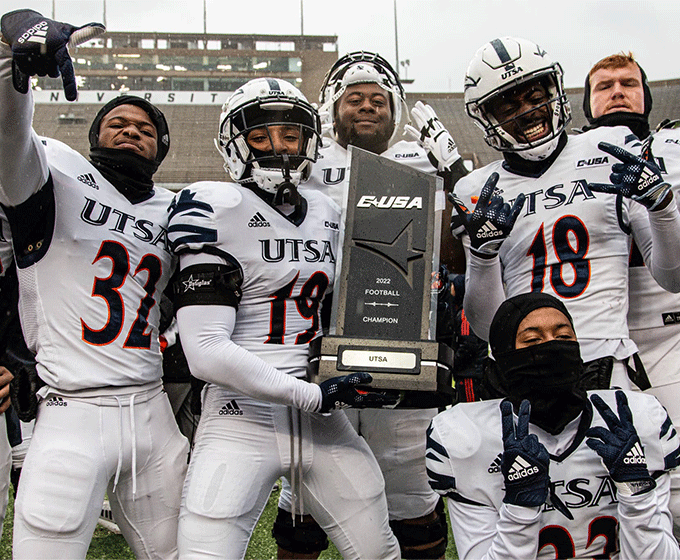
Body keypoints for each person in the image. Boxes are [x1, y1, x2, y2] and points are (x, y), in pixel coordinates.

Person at [168, 76, 400, 559]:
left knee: (379, 550)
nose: (278, 146)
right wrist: (311, 395)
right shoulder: (215, 205)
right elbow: (206, 352)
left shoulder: (327, 212)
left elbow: (353, 308)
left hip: (323, 414)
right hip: (241, 416)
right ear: (234, 144)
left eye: (291, 135)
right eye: (260, 136)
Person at [0, 9, 190, 558]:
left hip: (154, 410)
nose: (132, 129)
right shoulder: (55, 171)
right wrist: (17, 55)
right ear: (94, 135)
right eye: (118, 123)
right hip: (72, 408)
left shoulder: (180, 208)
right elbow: (9, 132)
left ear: (161, 147)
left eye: (146, 128)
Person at [273, 51, 464, 559]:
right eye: (353, 98)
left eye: (378, 99)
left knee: (409, 484)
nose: (366, 106)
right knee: (305, 492)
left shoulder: (421, 161)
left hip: (402, 339)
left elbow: (451, 253)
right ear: (331, 109)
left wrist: (457, 177)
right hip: (318, 340)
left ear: (394, 110)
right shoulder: (304, 164)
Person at [452, 36, 680, 392]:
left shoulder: (610, 146)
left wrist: (662, 207)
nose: (528, 111)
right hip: (522, 371)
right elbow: (487, 326)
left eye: (535, 96)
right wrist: (483, 257)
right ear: (488, 118)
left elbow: (674, 278)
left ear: (553, 91)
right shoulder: (476, 187)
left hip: (607, 363)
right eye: (509, 107)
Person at [426, 291, 680, 559]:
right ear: (503, 359)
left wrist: (636, 490)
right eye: (533, 340)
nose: (552, 348)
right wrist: (520, 507)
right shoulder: (468, 438)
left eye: (563, 337)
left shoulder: (635, 420)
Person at [582, 51, 680, 539]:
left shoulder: (675, 146)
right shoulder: (568, 163)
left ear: (646, 94)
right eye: (604, 85)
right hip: (601, 343)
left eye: (628, 82)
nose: (617, 90)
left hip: (671, 331)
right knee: (603, 484)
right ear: (586, 104)